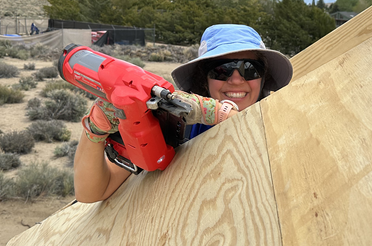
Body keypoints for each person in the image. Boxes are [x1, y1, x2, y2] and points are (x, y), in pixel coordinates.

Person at [73, 24, 293, 203]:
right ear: (203, 79)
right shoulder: (177, 127)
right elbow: (91, 193)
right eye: (222, 70)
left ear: (263, 78)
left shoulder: (283, 122)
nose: (236, 79)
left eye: (249, 69)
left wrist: (219, 112)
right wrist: (95, 128)